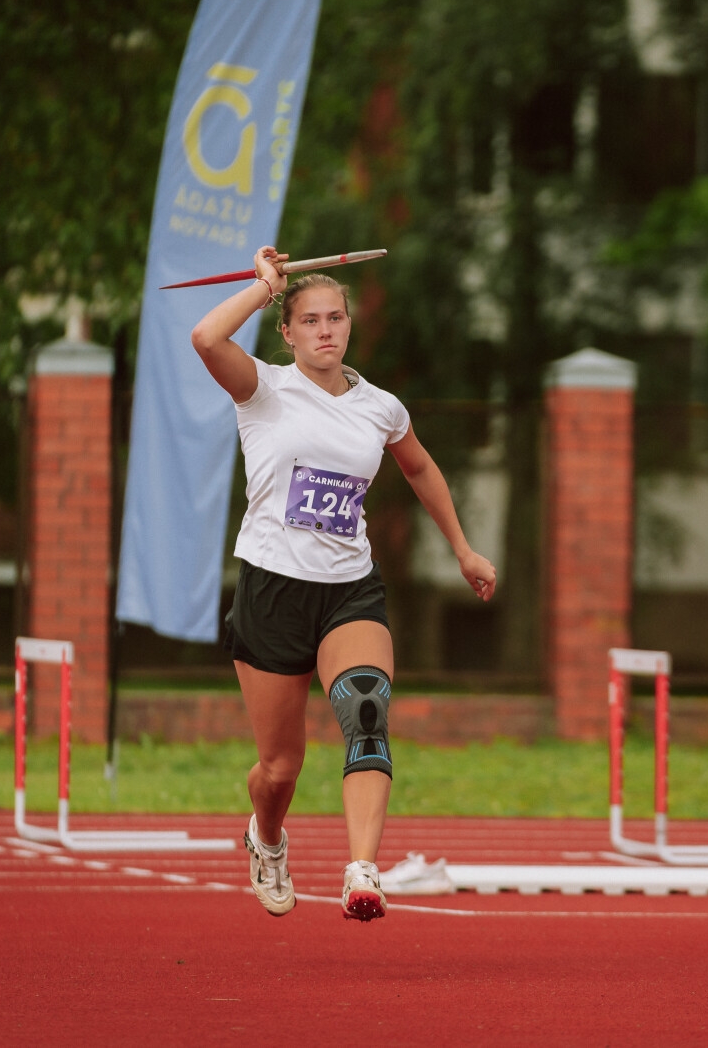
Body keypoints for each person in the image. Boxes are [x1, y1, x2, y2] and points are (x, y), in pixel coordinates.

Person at [190, 245, 496, 921]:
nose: (326, 330)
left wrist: (464, 549)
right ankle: (265, 835)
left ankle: (362, 868)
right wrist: (263, 287)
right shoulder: (263, 389)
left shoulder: (380, 407)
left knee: (366, 710)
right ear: (289, 330)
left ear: (349, 325)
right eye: (311, 319)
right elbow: (206, 337)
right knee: (279, 769)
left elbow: (419, 469)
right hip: (273, 589)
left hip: (348, 589)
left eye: (337, 318)